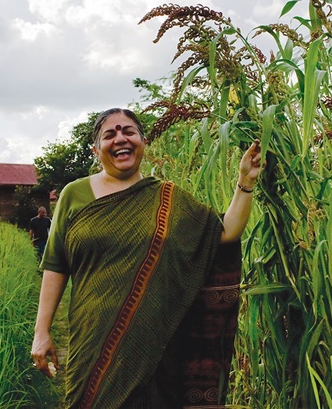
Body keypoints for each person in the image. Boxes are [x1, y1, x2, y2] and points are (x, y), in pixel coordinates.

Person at [30, 108, 262, 408]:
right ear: (96, 150)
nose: (120, 139)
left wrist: (246, 182)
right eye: (109, 134)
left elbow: (224, 233)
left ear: (142, 141)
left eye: (128, 131)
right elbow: (56, 265)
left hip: (155, 342)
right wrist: (42, 331)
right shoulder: (75, 195)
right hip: (91, 339)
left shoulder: (168, 199)